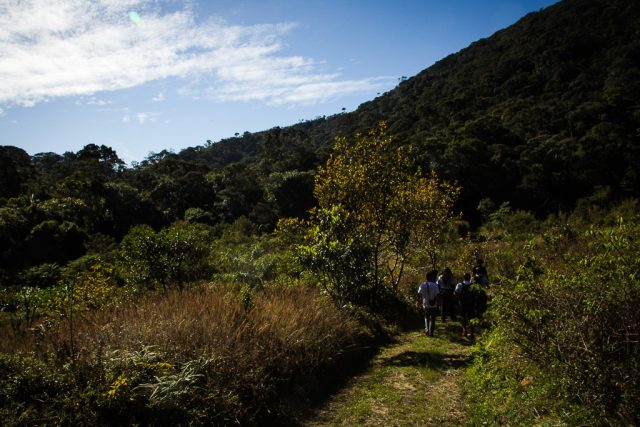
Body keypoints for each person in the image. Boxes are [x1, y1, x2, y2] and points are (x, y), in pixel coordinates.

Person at [418, 269, 440, 337]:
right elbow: (437, 295)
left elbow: (419, 294)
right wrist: (438, 303)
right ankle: (431, 332)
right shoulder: (435, 285)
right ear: (432, 277)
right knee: (432, 319)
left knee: (426, 317)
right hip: (434, 304)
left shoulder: (422, 285)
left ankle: (427, 330)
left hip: (425, 304)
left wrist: (418, 302)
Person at [454, 272, 476, 338]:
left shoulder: (459, 285)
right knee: (471, 318)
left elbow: (456, 294)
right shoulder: (473, 285)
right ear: (470, 278)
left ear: (463, 278)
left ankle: (465, 331)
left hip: (463, 304)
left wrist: (456, 303)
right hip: (471, 304)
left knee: (463, 317)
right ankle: (472, 333)